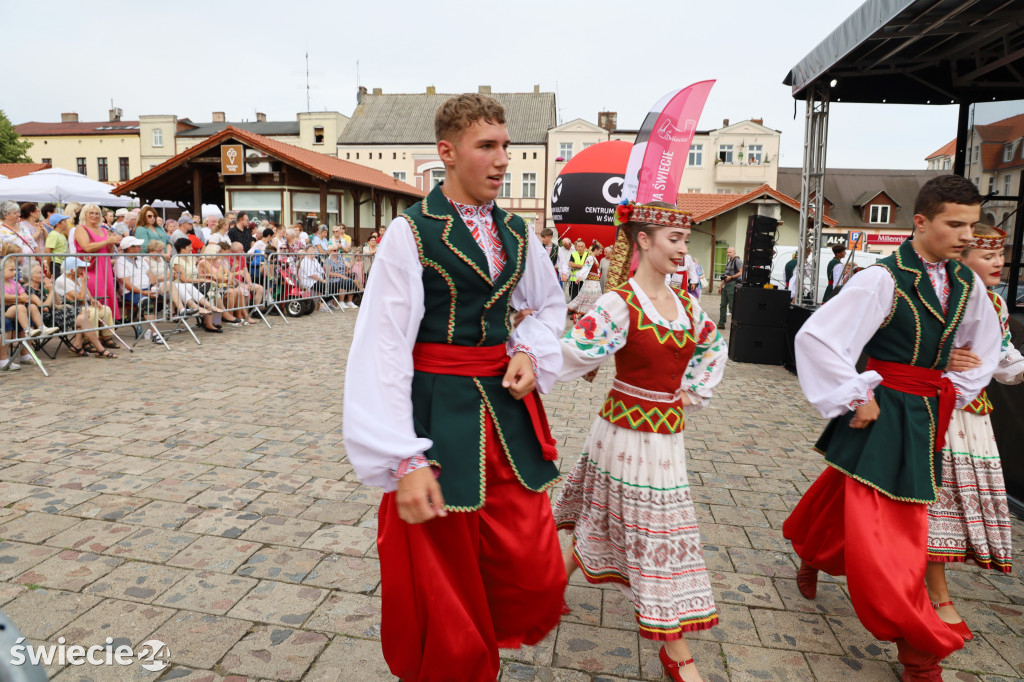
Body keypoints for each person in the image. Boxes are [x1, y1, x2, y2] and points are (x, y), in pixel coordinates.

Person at [343, 93, 567, 682]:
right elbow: (383, 348)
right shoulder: (410, 232)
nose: (502, 161)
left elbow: (549, 308)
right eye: (486, 147)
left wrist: (528, 351)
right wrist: (403, 457)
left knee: (533, 563)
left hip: (504, 412)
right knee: (444, 577)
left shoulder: (517, 232)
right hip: (437, 413)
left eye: (506, 148)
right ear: (447, 152)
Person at [782, 175, 1001, 681]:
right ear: (920, 222)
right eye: (955, 224)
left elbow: (983, 348)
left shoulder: (966, 284)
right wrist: (856, 395)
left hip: (928, 415)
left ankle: (811, 551)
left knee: (846, 498)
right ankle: (918, 651)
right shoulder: (882, 278)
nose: (967, 235)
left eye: (972, 224)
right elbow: (819, 337)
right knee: (892, 541)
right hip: (883, 413)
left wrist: (955, 378)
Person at [554, 199, 727, 682]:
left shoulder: (689, 306)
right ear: (644, 241)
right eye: (674, 240)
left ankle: (544, 591)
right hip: (624, 434)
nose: (682, 251)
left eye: (685, 242)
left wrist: (694, 389)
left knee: (603, 516)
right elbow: (573, 350)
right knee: (652, 531)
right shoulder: (620, 302)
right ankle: (677, 651)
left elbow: (714, 344)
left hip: (666, 441)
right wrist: (527, 359)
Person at [924, 223, 1023, 641]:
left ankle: (819, 548)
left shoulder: (996, 305)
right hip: (938, 410)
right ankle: (936, 594)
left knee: (952, 506)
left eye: (1000, 255)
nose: (998, 262)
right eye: (987, 255)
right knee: (935, 504)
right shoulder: (945, 298)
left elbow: (1003, 359)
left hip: (974, 418)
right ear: (961, 259)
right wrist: (943, 356)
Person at [53, 256, 120, 354]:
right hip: (71, 308)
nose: (83, 270)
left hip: (83, 305)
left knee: (106, 309)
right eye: (81, 268)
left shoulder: (78, 278)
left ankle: (106, 337)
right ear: (72, 270)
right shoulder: (62, 281)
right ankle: (88, 341)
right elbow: (80, 299)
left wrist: (93, 300)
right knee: (92, 312)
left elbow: (87, 294)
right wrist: (84, 282)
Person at [73, 203, 121, 320]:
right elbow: (86, 247)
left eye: (97, 213)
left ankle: (106, 330)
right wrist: (106, 241)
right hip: (90, 267)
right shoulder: (80, 229)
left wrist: (111, 243)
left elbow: (108, 251)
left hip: (104, 266)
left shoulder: (103, 230)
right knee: (95, 293)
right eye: (91, 213)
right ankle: (92, 328)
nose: (94, 216)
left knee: (107, 293)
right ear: (85, 214)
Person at [115, 236, 164, 343]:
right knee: (146, 302)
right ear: (130, 248)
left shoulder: (140, 259)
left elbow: (150, 274)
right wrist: (145, 292)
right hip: (131, 292)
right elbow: (127, 284)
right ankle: (155, 333)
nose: (141, 248)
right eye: (138, 246)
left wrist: (154, 286)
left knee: (171, 287)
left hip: (147, 288)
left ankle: (183, 310)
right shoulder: (121, 262)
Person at [567, 243, 602, 317]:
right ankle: (579, 314)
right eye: (600, 251)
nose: (600, 253)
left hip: (595, 282)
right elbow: (586, 268)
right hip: (591, 282)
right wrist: (580, 277)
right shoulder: (590, 258)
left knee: (589, 298)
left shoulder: (594, 258)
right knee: (587, 298)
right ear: (595, 250)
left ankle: (583, 314)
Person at [717, 246, 741, 328]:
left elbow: (741, 272)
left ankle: (736, 324)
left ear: (734, 253)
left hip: (732, 285)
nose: (728, 254)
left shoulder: (737, 261)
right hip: (726, 286)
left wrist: (731, 277)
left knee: (732, 306)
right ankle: (721, 323)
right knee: (722, 305)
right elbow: (725, 276)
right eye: (727, 252)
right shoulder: (728, 262)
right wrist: (720, 286)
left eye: (730, 252)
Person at [44, 213, 71, 279]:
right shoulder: (53, 235)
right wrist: (48, 268)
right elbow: (47, 251)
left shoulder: (61, 234)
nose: (66, 223)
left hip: (61, 263)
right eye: (64, 221)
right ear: (58, 224)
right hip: (55, 264)